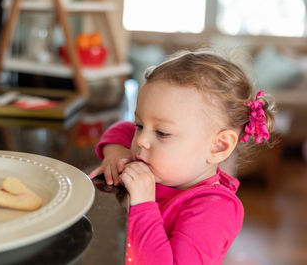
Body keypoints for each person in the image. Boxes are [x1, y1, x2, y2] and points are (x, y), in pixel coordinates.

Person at [88, 49, 275, 264]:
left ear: (218, 146)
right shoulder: (161, 161)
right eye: (140, 125)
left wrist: (144, 204)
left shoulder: (214, 210)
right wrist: (116, 154)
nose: (140, 140)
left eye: (162, 133)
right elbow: (121, 130)